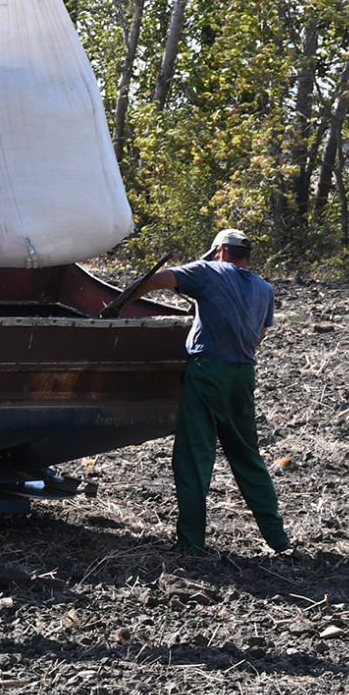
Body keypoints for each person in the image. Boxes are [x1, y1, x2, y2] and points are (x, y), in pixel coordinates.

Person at [137, 228, 292, 556]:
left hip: (208, 374)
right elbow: (259, 335)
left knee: (194, 457)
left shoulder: (207, 270)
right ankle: (278, 539)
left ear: (220, 251)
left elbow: (158, 280)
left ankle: (192, 544)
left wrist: (134, 292)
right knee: (248, 457)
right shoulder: (264, 289)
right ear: (246, 256)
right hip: (243, 375)